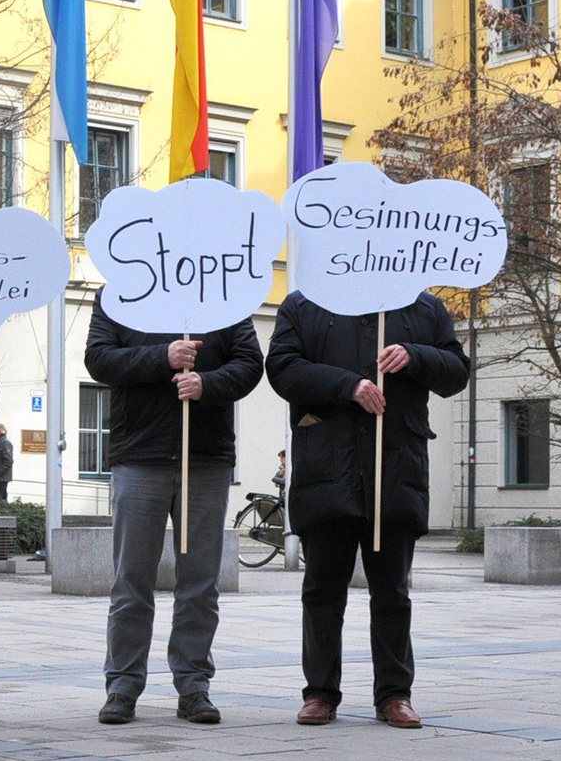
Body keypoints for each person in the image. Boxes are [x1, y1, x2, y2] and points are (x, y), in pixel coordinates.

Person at [267, 291, 467, 730]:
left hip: (395, 468)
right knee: (322, 590)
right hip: (327, 468)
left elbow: (456, 373)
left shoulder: (422, 305)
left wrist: (414, 355)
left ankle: (394, 695)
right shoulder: (306, 303)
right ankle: (320, 693)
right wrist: (348, 386)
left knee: (392, 591)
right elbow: (282, 369)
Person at [84, 298, 264, 724]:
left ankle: (194, 685)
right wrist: (161, 357)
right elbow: (99, 359)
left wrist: (207, 384)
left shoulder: (221, 286)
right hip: (139, 455)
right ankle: (122, 686)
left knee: (200, 582)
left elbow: (250, 363)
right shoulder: (121, 292)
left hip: (204, 457)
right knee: (131, 580)